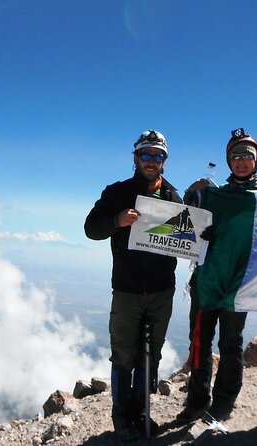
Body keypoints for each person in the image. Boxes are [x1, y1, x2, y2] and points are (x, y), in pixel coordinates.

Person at [84, 129, 182, 441]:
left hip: (161, 291)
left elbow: (187, 238)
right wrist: (116, 221)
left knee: (149, 356)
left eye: (158, 155)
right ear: (136, 158)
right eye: (146, 154)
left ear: (164, 160)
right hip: (126, 291)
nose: (152, 160)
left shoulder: (173, 198)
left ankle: (141, 415)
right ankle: (121, 420)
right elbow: (91, 229)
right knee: (124, 355)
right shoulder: (116, 193)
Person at [175, 128, 257, 424]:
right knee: (200, 342)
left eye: (247, 155)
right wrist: (192, 197)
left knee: (230, 344)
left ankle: (224, 403)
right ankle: (196, 400)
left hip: (241, 283)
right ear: (228, 161)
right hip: (207, 278)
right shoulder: (214, 194)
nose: (241, 161)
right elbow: (185, 221)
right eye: (235, 156)